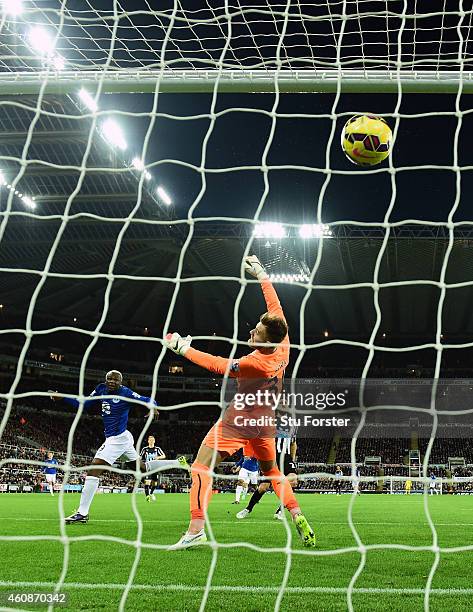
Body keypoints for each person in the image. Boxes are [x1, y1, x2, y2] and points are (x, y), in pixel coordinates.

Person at [164, 255, 315, 549]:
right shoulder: (282, 341)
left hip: (240, 420)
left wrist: (184, 349)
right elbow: (275, 303)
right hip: (265, 422)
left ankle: (196, 529)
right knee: (272, 472)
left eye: (256, 333)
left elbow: (218, 365)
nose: (251, 333)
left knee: (200, 468)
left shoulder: (255, 362)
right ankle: (296, 514)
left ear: (266, 341)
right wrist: (260, 272)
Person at [50, 370, 157, 523]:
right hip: (121, 437)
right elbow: (85, 403)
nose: (112, 382)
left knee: (94, 468)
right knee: (140, 468)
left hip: (118, 438)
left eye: (115, 380)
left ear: (121, 382)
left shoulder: (125, 393)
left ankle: (82, 513)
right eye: (109, 379)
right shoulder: (101, 388)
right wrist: (63, 397)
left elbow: (147, 399)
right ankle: (166, 467)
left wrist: (154, 407)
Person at [237, 415, 298, 520]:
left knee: (293, 480)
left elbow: (293, 443)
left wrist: (292, 459)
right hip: (271, 456)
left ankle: (280, 511)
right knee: (263, 487)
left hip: (285, 456)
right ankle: (248, 509)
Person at [140, 435, 165, 502]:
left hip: (155, 468)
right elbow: (140, 457)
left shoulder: (157, 449)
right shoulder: (145, 449)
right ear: (148, 441)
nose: (151, 441)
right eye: (150, 440)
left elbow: (163, 455)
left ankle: (151, 493)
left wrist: (158, 457)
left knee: (155, 483)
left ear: (154, 441)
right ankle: (147, 496)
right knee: (147, 482)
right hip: (148, 468)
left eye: (152, 440)